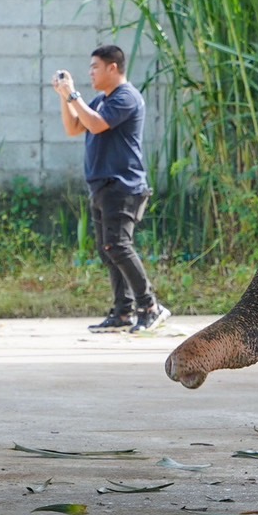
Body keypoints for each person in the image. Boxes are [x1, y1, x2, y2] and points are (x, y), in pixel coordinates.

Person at [52, 45, 168, 333]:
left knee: (118, 246)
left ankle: (150, 306)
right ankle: (123, 311)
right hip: (103, 185)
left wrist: (73, 95)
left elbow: (96, 124)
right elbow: (75, 128)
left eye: (94, 67)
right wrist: (64, 98)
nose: (90, 72)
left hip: (123, 185)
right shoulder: (101, 99)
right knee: (109, 250)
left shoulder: (126, 97)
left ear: (112, 68)